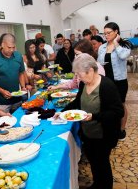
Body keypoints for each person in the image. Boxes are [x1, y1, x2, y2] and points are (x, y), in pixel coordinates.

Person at [55, 53, 124, 189]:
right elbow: (77, 102)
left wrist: (95, 116)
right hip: (88, 133)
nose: (79, 78)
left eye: (80, 75)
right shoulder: (84, 84)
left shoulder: (107, 85)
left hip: (103, 135)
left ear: (91, 70)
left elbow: (118, 112)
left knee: (102, 164)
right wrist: (62, 112)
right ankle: (97, 184)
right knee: (93, 161)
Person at [97, 22, 133, 141]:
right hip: (106, 81)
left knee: (120, 105)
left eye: (109, 33)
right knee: (108, 105)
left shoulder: (125, 45)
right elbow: (99, 62)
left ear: (116, 32)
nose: (106, 35)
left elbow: (123, 56)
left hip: (119, 81)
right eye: (104, 33)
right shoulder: (102, 47)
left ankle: (121, 129)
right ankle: (112, 127)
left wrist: (116, 43)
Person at [0, 33, 27, 113]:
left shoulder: (18, 56)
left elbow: (21, 73)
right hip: (2, 101)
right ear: (2, 45)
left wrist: (23, 86)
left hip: (17, 98)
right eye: (9, 47)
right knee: (5, 123)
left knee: (18, 120)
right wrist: (1, 90)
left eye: (13, 47)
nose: (11, 50)